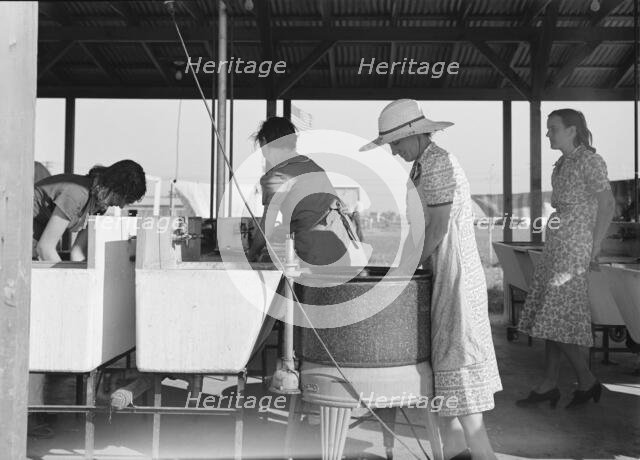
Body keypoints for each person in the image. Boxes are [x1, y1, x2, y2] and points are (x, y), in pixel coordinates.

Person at [361, 99, 502, 460]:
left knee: (463, 387)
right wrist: (401, 264)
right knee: (446, 398)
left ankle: (482, 453)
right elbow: (418, 229)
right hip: (440, 278)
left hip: (455, 280)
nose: (393, 150)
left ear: (415, 134)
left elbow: (438, 226)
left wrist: (405, 269)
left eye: (395, 143)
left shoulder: (439, 162)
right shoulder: (420, 168)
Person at [517, 109, 615, 409]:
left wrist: (595, 246)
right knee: (554, 318)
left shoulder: (589, 160)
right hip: (558, 243)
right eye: (548, 129)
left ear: (572, 130)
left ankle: (586, 380)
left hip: (575, 247)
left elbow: (608, 204)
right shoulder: (561, 163)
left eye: (554, 128)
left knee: (553, 314)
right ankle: (549, 383)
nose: (548, 134)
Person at [246, 117, 360, 266]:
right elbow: (318, 210)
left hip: (317, 251)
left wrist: (251, 254)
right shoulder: (312, 166)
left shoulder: (278, 176)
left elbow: (267, 226)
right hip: (344, 245)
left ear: (265, 142)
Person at [33, 159, 146, 261]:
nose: (121, 206)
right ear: (115, 187)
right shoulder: (77, 194)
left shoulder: (99, 206)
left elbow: (77, 254)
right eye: (124, 199)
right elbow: (45, 248)